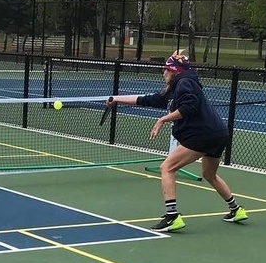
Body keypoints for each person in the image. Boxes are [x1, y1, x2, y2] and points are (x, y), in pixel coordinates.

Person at [106, 51, 247, 231]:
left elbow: (189, 107)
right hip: (217, 134)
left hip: (201, 135)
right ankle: (236, 210)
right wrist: (116, 98)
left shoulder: (184, 83)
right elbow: (149, 100)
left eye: (166, 69)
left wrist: (162, 120)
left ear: (173, 71)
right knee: (209, 174)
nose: (163, 73)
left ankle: (172, 216)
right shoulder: (176, 86)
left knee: (167, 167)